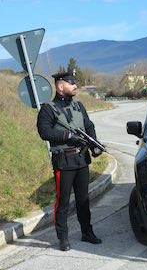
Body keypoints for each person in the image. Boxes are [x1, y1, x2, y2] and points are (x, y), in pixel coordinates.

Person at [37, 70, 103, 251]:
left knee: (83, 199)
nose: (75, 86)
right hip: (64, 161)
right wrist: (67, 135)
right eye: (71, 83)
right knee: (63, 201)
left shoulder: (79, 106)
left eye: (75, 82)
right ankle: (63, 238)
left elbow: (88, 125)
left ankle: (87, 232)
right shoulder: (48, 109)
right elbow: (45, 132)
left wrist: (94, 143)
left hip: (81, 159)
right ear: (60, 86)